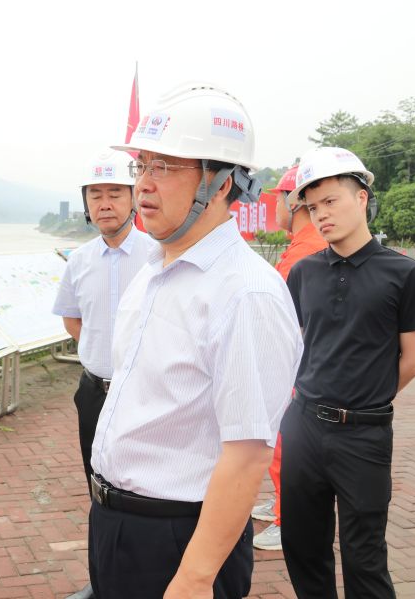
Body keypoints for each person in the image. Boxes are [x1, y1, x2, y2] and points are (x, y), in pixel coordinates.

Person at [89, 83, 303, 598]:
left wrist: (195, 577)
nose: (143, 184)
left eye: (165, 167)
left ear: (222, 182)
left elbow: (247, 455)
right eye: (142, 165)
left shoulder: (245, 293)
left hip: (181, 536)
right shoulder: (153, 270)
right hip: (116, 523)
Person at [280, 147, 415, 598]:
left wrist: (365, 397)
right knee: (302, 546)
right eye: (313, 207)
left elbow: (414, 360)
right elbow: (296, 345)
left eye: (331, 201)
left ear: (361, 197)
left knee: (364, 556)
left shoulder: (405, 273)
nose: (321, 215)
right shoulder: (303, 272)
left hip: (364, 434)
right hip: (303, 426)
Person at [52, 149, 154, 599]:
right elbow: (73, 320)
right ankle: (102, 581)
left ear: (133, 198)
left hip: (147, 392)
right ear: (86, 203)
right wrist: (101, 354)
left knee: (148, 489)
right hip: (94, 392)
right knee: (98, 489)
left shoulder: (158, 253)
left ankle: (147, 578)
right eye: (96, 195)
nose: (105, 203)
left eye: (115, 192)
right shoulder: (79, 260)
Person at [251, 164, 327, 551]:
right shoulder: (308, 243)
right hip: (305, 366)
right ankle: (284, 504)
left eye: (278, 199)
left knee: (286, 445)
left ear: (294, 201)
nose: (275, 207)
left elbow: (283, 319)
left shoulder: (307, 251)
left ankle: (290, 519)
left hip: (299, 370)